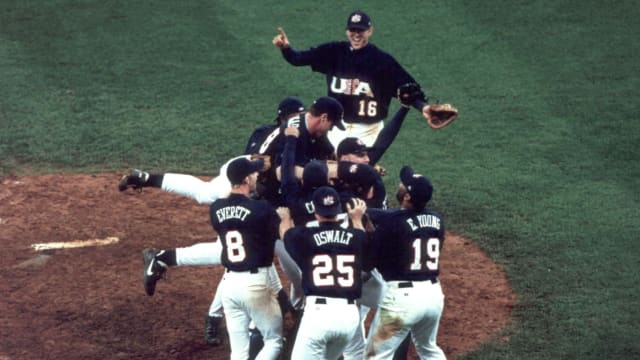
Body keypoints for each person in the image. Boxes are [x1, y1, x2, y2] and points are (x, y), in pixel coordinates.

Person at [272, 10, 434, 148]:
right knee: (331, 174)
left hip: (369, 131)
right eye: (352, 30)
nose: (356, 34)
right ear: (347, 31)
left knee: (359, 175)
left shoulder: (382, 61)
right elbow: (298, 59)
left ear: (370, 31)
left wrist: (423, 108)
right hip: (335, 128)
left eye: (361, 30)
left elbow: (408, 90)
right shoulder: (333, 52)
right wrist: (286, 48)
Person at [365, 166, 447, 360]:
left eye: (403, 184)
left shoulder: (391, 223)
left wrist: (369, 233)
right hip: (433, 296)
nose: (400, 184)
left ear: (407, 196)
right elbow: (396, 217)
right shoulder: (437, 219)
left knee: (375, 356)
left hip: (401, 301)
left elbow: (370, 261)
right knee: (428, 348)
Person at [279, 186, 370, 360]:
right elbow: (362, 238)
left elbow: (286, 235)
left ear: (316, 213)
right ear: (338, 212)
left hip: (318, 316)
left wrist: (285, 218)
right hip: (349, 317)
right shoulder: (356, 236)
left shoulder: (304, 236)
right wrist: (357, 219)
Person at [210, 157, 283, 360]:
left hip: (229, 286)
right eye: (253, 173)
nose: (257, 175)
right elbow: (281, 233)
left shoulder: (215, 209)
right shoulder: (262, 209)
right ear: (245, 180)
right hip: (255, 285)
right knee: (274, 341)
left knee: (239, 351)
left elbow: (227, 203)